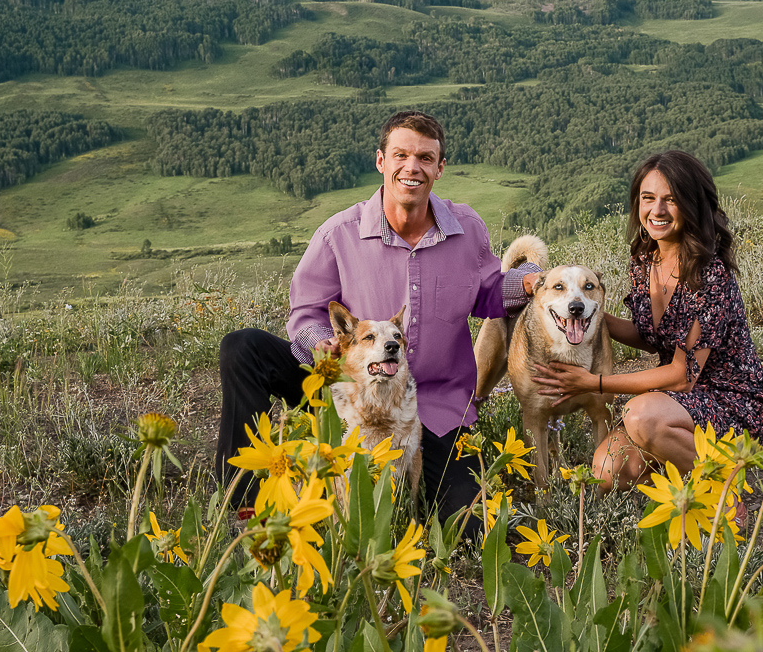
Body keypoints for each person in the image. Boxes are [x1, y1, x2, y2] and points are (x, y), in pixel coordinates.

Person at [216, 110, 540, 523]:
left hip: (429, 408)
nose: (412, 167)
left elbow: (490, 291)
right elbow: (306, 312)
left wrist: (532, 281)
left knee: (471, 524)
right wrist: (321, 342)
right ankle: (244, 501)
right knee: (243, 348)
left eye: (425, 158)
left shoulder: (467, 229)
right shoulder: (339, 234)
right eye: (401, 154)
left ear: (440, 168)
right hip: (344, 391)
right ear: (381, 161)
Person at [533, 150, 763, 490]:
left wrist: (592, 383)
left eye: (671, 200)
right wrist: (587, 310)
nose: (657, 211)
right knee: (605, 471)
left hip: (730, 401)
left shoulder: (710, 277)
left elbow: (681, 377)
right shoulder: (644, 258)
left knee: (640, 417)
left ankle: (723, 486)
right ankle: (680, 472)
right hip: (675, 402)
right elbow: (650, 335)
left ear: (692, 205)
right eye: (648, 198)